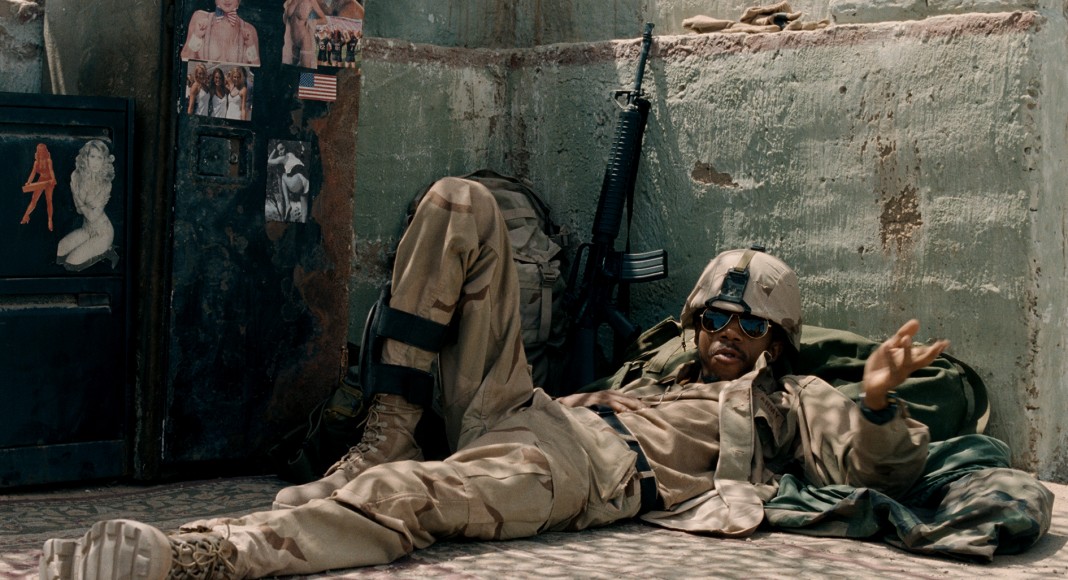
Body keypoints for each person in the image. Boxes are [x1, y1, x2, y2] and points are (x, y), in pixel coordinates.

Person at [40, 178, 1053, 579]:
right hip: (529, 410)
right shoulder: (657, 362)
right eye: (716, 316)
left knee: (411, 499)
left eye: (752, 326)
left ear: (779, 343)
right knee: (459, 203)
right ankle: (389, 420)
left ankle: (205, 555)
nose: (728, 336)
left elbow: (889, 465)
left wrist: (873, 400)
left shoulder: (790, 402)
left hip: (583, 469)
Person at [56, 140, 117, 270]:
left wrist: (75, 194)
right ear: (86, 158)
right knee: (59, 251)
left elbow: (92, 217)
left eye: (100, 158)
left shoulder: (106, 184)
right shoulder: (77, 176)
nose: (95, 162)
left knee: (71, 263)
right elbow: (79, 211)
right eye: (92, 156)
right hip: (86, 229)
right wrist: (79, 196)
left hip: (103, 233)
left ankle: (108, 251)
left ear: (104, 161)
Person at [180, 0, 261, 66]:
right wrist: (196, 36)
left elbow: (256, 69)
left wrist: (251, 46)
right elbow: (184, 60)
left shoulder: (249, 29)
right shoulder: (199, 18)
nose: (227, 0)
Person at [266, 142, 310, 222]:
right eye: (278, 151)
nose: (280, 152)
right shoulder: (292, 154)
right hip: (306, 180)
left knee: (283, 176)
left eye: (282, 149)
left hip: (298, 179)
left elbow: (269, 161)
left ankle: (288, 204)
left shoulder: (283, 158)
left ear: (285, 148)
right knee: (304, 212)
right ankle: (303, 226)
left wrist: (274, 149)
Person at [20, 142, 56, 231]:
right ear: (38, 152)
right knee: (33, 200)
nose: (41, 153)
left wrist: (53, 179)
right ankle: (26, 216)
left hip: (49, 181)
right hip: (41, 180)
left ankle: (50, 220)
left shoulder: (48, 160)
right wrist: (28, 182)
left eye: (42, 151)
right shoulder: (36, 162)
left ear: (45, 151)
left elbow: (51, 170)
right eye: (39, 151)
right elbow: (33, 173)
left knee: (49, 200)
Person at [282, 0, 326, 68]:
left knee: (305, 71)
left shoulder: (311, 1)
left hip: (304, 39)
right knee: (291, 69)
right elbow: (285, 18)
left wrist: (311, 22)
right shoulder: (290, 1)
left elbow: (324, 20)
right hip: (293, 40)